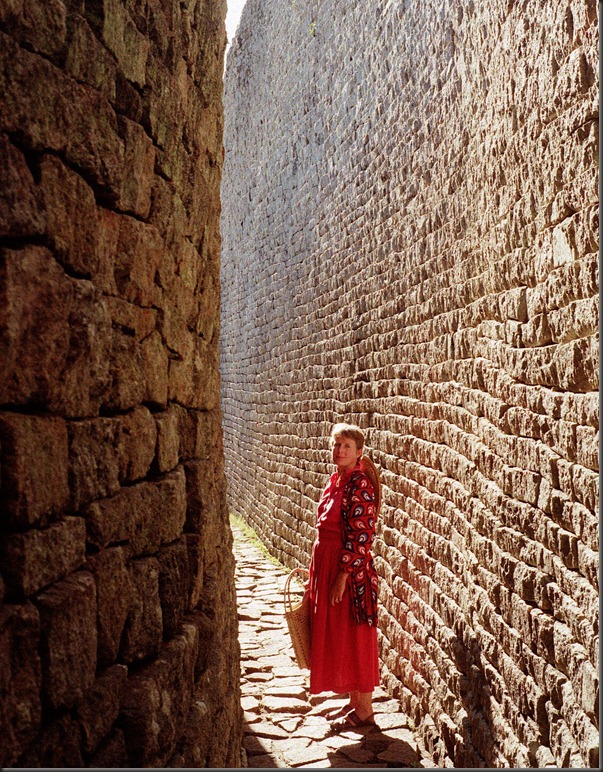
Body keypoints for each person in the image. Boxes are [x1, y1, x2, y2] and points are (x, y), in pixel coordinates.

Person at [306, 422, 380, 730]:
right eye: (337, 445)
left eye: (347, 446)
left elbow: (363, 536)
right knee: (340, 635)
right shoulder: (336, 480)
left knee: (354, 634)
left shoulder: (359, 484)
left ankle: (365, 710)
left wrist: (342, 576)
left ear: (359, 452)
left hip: (348, 572)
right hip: (327, 564)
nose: (340, 451)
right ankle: (354, 704)